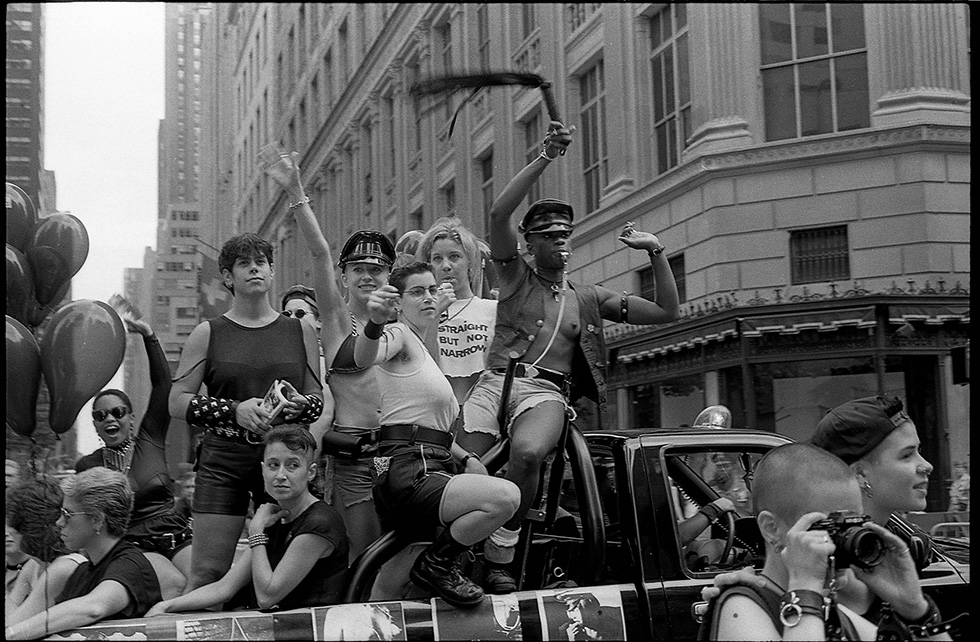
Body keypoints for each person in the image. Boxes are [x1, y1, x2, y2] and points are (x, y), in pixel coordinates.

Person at [458, 121, 680, 592]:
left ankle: (503, 549)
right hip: (496, 382)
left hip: (546, 394)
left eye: (565, 233)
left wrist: (655, 251)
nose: (561, 240)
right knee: (457, 463)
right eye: (549, 234)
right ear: (529, 243)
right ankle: (452, 551)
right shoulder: (514, 276)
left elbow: (665, 312)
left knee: (530, 452)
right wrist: (544, 157)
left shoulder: (589, 296)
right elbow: (498, 213)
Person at [355, 261, 521, 608]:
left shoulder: (421, 346)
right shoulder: (398, 334)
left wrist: (468, 457)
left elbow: (432, 429)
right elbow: (364, 356)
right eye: (417, 291)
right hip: (409, 470)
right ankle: (438, 565)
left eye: (432, 289)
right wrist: (374, 322)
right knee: (504, 497)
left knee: (387, 590)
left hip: (421, 463)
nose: (429, 296)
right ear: (398, 302)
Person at [169, 232, 324, 592]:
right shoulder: (207, 333)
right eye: (244, 263)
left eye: (261, 262)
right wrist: (233, 410)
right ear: (227, 277)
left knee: (288, 571)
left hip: (283, 457)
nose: (254, 268)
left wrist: (304, 405)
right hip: (223, 460)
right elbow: (177, 402)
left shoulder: (299, 329)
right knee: (207, 572)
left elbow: (317, 398)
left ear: (271, 271)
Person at [261, 146, 392, 562]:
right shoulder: (336, 319)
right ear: (345, 277)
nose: (368, 276)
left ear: (390, 275)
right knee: (362, 558)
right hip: (354, 459)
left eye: (377, 269)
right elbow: (319, 251)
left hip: (405, 455)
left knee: (405, 555)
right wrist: (296, 191)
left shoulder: (403, 323)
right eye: (358, 270)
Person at [703, 443, 948, 641]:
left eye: (852, 526)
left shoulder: (829, 612)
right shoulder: (741, 606)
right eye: (829, 527)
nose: (841, 543)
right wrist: (805, 589)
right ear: (772, 528)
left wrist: (915, 609)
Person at [145, 426, 349, 614]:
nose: (280, 475)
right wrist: (166, 606)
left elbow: (267, 597)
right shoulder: (275, 517)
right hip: (275, 625)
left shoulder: (319, 522)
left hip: (309, 630)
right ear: (262, 469)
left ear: (310, 472)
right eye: (273, 465)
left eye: (292, 466)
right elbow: (225, 588)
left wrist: (257, 532)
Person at [75, 317, 190, 599]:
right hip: (135, 549)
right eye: (101, 416)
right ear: (96, 425)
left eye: (118, 412)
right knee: (175, 587)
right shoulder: (88, 467)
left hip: (179, 537)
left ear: (131, 417)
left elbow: (163, 386)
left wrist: (148, 335)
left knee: (208, 579)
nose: (110, 419)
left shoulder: (150, 440)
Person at [4, 468, 162, 639]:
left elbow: (93, 608)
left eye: (67, 514)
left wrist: (12, 634)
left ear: (97, 520)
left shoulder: (129, 565)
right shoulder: (83, 572)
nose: (59, 522)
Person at [808, 396, 937, 571]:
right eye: (907, 455)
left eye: (918, 451)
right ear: (859, 473)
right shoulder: (828, 566)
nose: (927, 466)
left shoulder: (899, 546)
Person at [416, 216, 498, 408]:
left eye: (454, 257)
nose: (446, 265)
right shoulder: (417, 312)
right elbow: (423, 366)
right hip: (434, 415)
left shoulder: (493, 310)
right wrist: (434, 315)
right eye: (437, 258)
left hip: (484, 411)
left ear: (470, 262)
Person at [280, 284, 337, 498]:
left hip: (312, 464)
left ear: (319, 320)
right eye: (286, 313)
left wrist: (302, 468)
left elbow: (323, 418)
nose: (292, 318)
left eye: (301, 313)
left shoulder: (321, 361)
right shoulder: (292, 359)